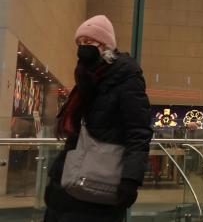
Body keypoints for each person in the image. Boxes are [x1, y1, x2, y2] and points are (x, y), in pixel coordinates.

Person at [45, 15, 153, 222]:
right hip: (68, 178)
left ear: (106, 45)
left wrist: (130, 179)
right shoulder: (85, 78)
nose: (83, 48)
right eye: (80, 43)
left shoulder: (126, 77)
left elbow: (139, 132)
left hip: (99, 182)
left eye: (89, 42)